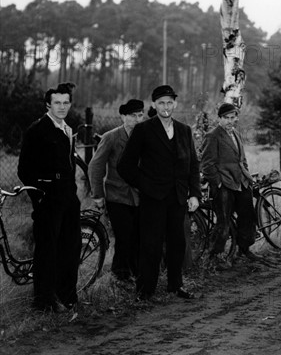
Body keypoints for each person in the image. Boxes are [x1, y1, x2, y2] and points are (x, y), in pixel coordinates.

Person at [117, 85, 200, 301]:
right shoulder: (144, 129)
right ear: (154, 104)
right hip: (153, 198)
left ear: (175, 104)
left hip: (178, 197)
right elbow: (125, 166)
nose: (166, 107)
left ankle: (175, 285)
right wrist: (146, 186)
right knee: (151, 244)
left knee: (177, 242)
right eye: (161, 102)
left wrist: (194, 194)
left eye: (169, 102)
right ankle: (145, 291)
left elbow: (193, 165)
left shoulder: (184, 130)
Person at [18, 82, 81, 313]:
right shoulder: (37, 130)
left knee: (71, 247)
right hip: (48, 199)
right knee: (47, 250)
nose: (62, 107)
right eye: (57, 103)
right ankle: (44, 301)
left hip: (69, 197)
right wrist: (40, 197)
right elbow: (24, 169)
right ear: (48, 104)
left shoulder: (67, 129)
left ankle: (67, 296)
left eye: (66, 103)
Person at [88, 99, 144, 282]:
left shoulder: (145, 136)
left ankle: (135, 273)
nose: (137, 119)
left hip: (139, 196)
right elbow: (96, 166)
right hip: (117, 196)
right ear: (123, 116)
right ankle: (120, 274)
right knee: (124, 235)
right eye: (132, 116)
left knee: (137, 235)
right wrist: (98, 195)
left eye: (140, 115)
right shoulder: (112, 137)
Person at [200, 103, 260, 270]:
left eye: (232, 117)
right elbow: (207, 164)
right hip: (224, 185)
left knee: (247, 217)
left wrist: (246, 176)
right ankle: (214, 256)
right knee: (223, 222)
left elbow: (242, 159)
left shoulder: (236, 133)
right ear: (219, 118)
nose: (229, 121)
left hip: (241, 182)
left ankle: (244, 249)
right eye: (226, 118)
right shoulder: (212, 136)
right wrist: (218, 183)